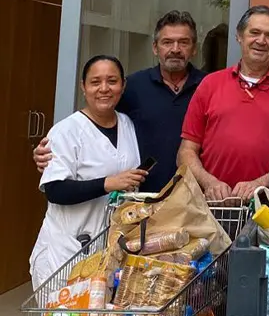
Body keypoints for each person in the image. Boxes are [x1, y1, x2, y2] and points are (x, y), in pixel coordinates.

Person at [31, 55, 144, 316]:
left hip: (103, 254)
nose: (104, 88)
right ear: (83, 87)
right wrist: (107, 182)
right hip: (63, 249)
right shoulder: (67, 131)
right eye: (95, 81)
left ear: (123, 86)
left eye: (112, 81)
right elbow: (56, 189)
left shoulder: (126, 125)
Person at [32, 10, 207, 193]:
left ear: (194, 49)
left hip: (195, 198)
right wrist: (56, 151)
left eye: (184, 42)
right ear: (155, 48)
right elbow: (94, 122)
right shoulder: (132, 87)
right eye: (167, 42)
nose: (175, 49)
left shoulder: (209, 87)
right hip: (142, 201)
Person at [178, 5, 269, 202]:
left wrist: (259, 184)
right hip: (212, 205)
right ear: (239, 36)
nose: (261, 41)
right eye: (254, 32)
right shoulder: (210, 84)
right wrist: (209, 182)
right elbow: (186, 152)